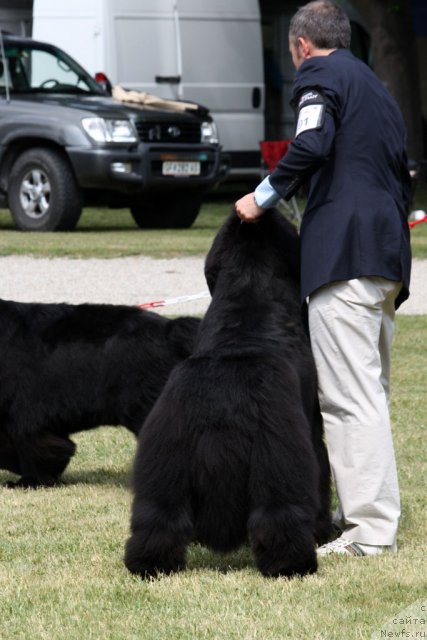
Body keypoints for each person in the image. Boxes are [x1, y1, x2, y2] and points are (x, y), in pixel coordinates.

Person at [235, 0, 412, 556]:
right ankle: (363, 513)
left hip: (344, 257)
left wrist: (260, 198)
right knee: (370, 393)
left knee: (348, 399)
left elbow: (311, 142)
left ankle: (368, 533)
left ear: (300, 46)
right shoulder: (374, 86)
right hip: (385, 257)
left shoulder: (319, 75)